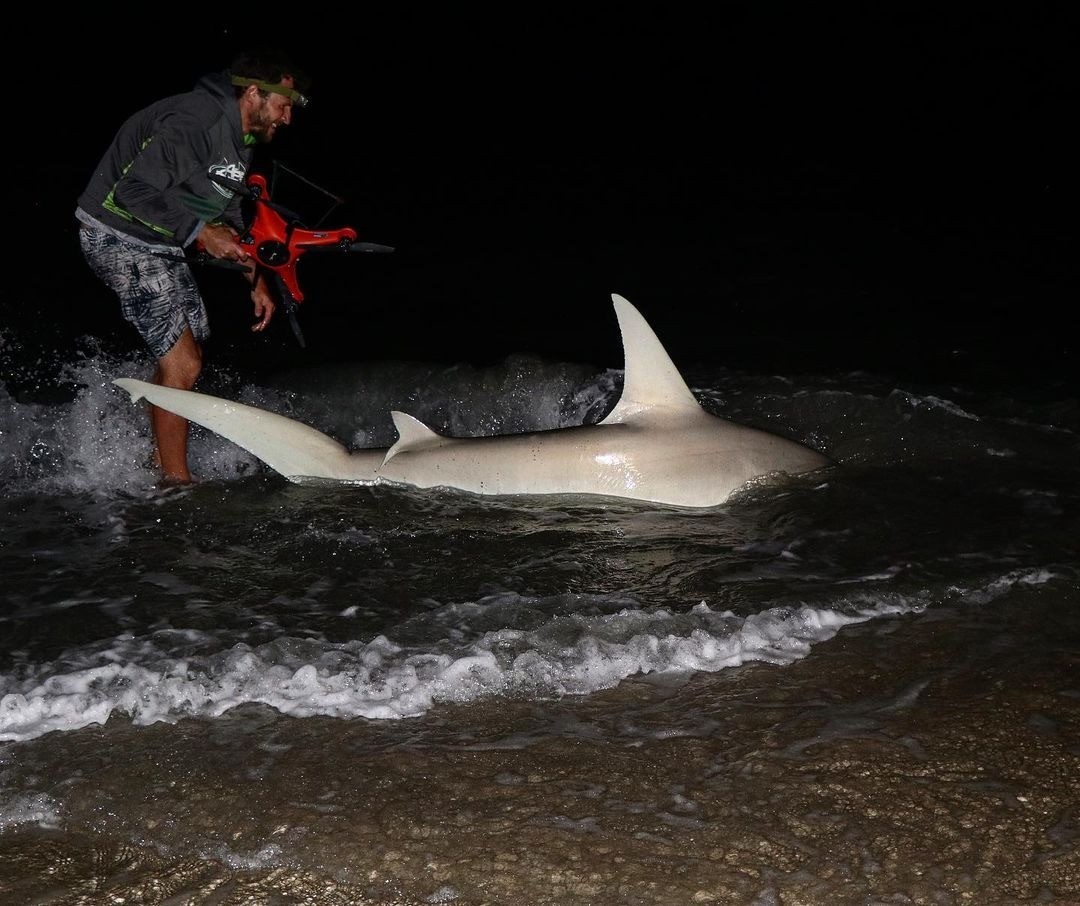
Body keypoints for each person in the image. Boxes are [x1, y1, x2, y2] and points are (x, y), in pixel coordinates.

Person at [76, 49, 310, 485]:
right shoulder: (196, 121)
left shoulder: (243, 141)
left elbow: (233, 218)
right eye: (284, 106)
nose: (287, 118)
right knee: (184, 363)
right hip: (115, 232)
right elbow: (132, 191)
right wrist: (202, 233)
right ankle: (175, 486)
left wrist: (255, 281)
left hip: (162, 240)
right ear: (255, 94)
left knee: (187, 353)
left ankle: (153, 457)